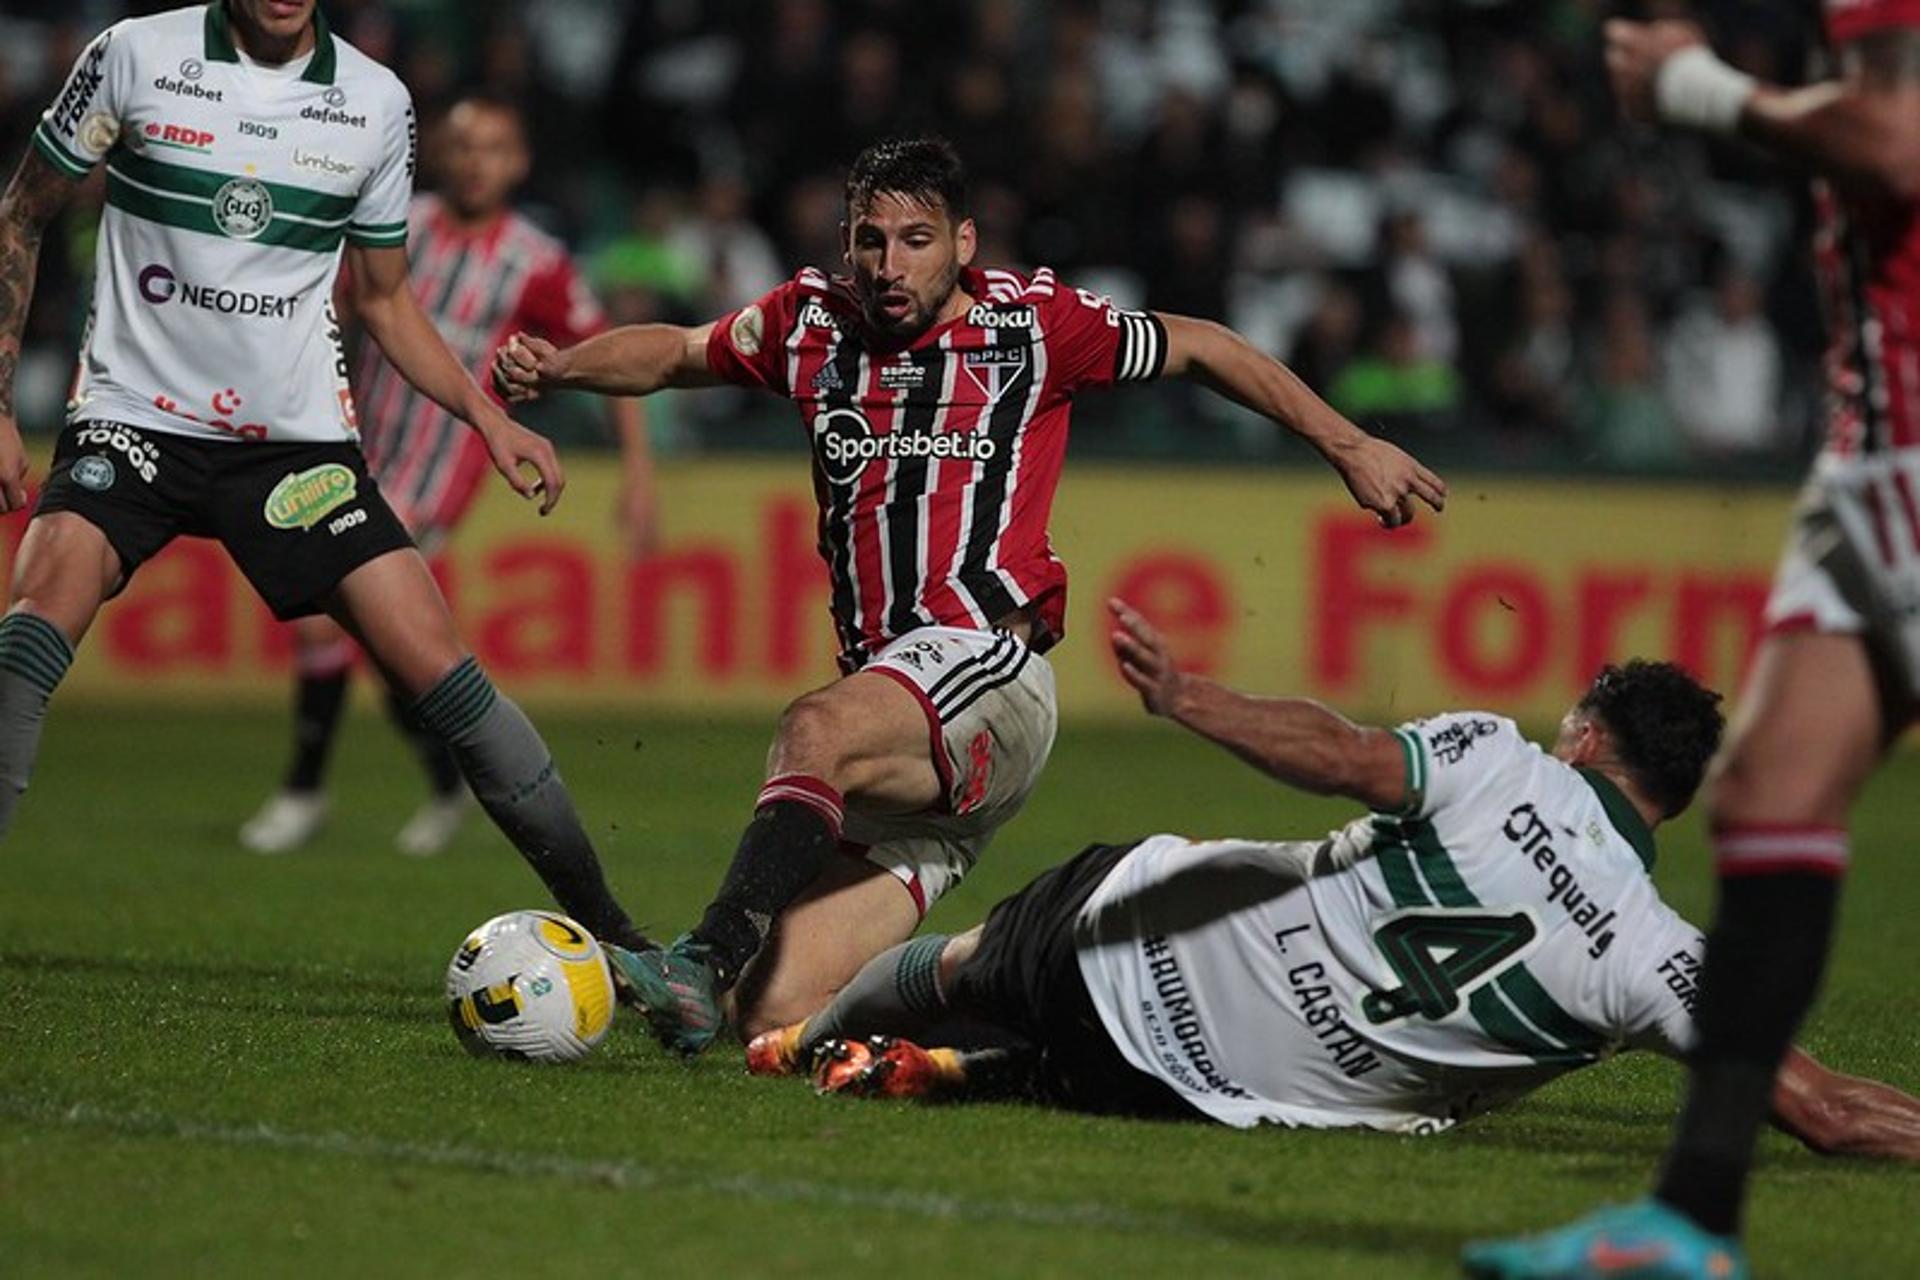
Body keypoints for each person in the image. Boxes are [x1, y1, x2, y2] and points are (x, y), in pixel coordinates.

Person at [492, 137, 1448, 1055]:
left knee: (814, 732)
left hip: (988, 666)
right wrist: (562, 366)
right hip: (913, 735)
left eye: (915, 240)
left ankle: (699, 954)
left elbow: (1197, 344)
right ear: (846, 246)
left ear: (963, 244)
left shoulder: (1029, 325)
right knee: (773, 1012)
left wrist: (1347, 442)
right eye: (870, 240)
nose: (888, 265)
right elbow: (674, 354)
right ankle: (1042, 1022)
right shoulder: (810, 322)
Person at [745, 602, 1920, 1175]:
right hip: (1212, 1097)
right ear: (1675, 799)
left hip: (1122, 941)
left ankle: (805, 1039)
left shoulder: (1499, 759)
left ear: (1584, 733)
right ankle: (966, 1070)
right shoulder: (1662, 956)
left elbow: (1339, 751)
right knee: (1066, 1064)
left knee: (966, 960)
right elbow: (1823, 1108)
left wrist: (1188, 697)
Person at [0, 0, 649, 951]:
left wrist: (486, 415)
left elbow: (386, 301)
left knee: (446, 677)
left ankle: (629, 949)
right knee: (30, 629)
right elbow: (20, 217)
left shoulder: (375, 102)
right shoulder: (134, 56)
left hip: (293, 447)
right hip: (131, 422)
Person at [1464, 7, 1920, 1276]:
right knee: (1772, 791)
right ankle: (1689, 1223)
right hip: (1875, 452)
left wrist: (1702, 89)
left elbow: (1896, 139)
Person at [238, 90, 659, 857]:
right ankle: (442, 779)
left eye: (494, 148)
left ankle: (305, 789)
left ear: (519, 162)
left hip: (440, 470)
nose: (477, 163)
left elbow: (604, 353)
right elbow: (328, 307)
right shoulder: (400, 224)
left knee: (327, 620)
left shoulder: (536, 261)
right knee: (381, 641)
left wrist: (637, 472)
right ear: (439, 154)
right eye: (464, 146)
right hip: (356, 446)